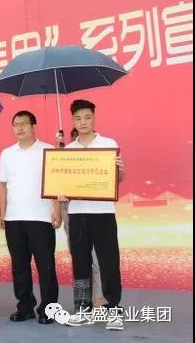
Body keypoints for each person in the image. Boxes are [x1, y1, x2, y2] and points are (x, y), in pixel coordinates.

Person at [58, 100, 126, 331]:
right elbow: (62, 183)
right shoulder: (68, 150)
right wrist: (60, 192)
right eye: (78, 118)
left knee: (108, 262)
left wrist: (120, 170)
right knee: (80, 263)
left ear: (94, 118)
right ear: (73, 121)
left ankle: (113, 310)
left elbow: (117, 180)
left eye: (87, 117)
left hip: (103, 213)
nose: (83, 122)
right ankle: (82, 309)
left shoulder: (108, 144)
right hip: (77, 214)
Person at [0, 111, 61, 324]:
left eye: (24, 123)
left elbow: (55, 182)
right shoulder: (7, 153)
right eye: (16, 124)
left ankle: (49, 309)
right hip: (14, 218)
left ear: (34, 126)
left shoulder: (48, 150)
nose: (19, 128)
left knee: (45, 266)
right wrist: (3, 212)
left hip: (41, 217)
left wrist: (57, 210)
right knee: (19, 266)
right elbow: (2, 185)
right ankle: (25, 307)